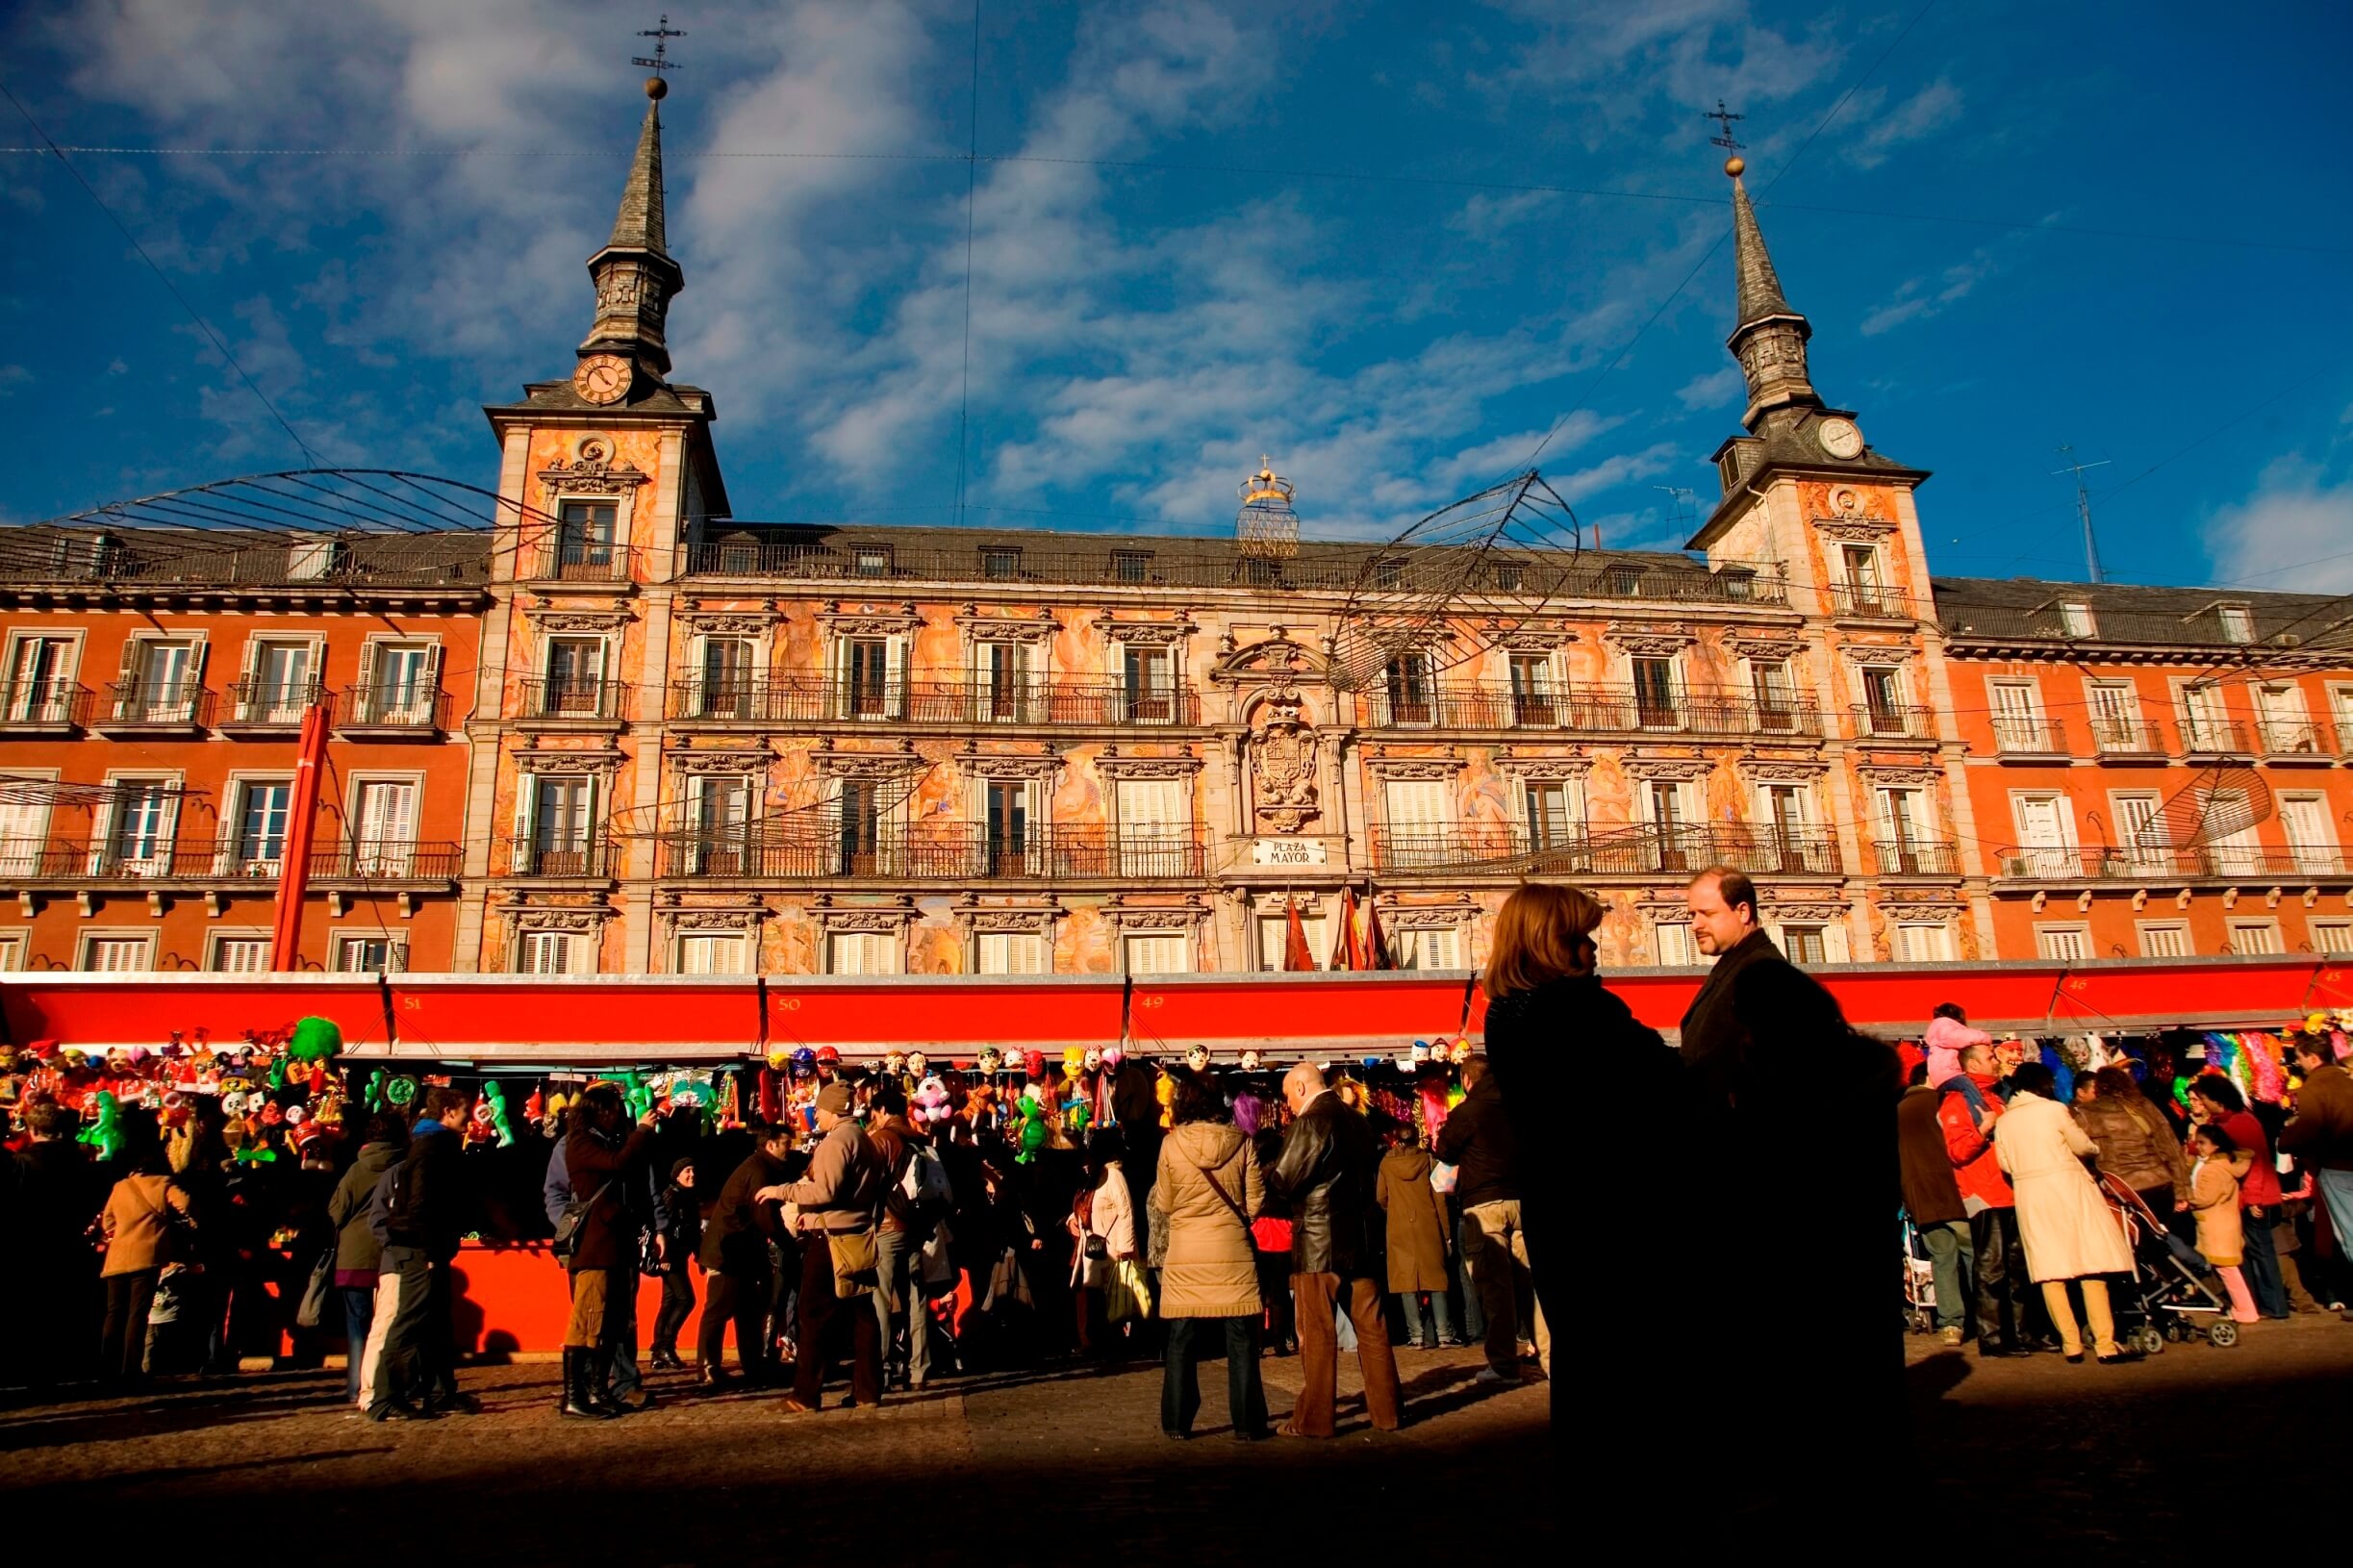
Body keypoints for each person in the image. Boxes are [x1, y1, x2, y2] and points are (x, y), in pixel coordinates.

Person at [1678, 867, 1902, 1501]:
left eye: (1704, 913)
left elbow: (1727, 1085)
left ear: (1744, 911)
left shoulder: (1758, 979)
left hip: (1765, 1197)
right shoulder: (1743, 977)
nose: (1695, 924)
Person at [1480, 881, 1671, 1434]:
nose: (1594, 949)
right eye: (1582, 938)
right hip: (1611, 1205)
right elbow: (1660, 1081)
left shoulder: (1506, 1013)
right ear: (1552, 944)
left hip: (1555, 1202)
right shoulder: (1579, 1013)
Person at [1269, 1061, 1401, 1438]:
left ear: (1300, 1088)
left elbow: (1284, 1178)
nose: (1288, 1106)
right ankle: (1387, 1412)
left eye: (1287, 1097)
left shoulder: (1311, 1122)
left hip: (1318, 1241)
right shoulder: (1358, 1121)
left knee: (1318, 1332)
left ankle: (1315, 1420)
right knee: (1373, 1329)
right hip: (1359, 1238)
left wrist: (1265, 1179)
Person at [1154, 1068, 1270, 1441]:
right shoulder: (1242, 1143)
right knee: (1241, 1339)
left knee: (1181, 1339)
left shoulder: (1171, 1145)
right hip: (1232, 1250)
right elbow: (1254, 1203)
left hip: (1186, 1251)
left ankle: (1176, 1421)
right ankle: (1248, 1423)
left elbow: (1165, 1202)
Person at [1994, 1062, 2136, 1363]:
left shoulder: (2004, 1120)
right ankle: (2105, 1344)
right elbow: (2080, 1145)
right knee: (2091, 1265)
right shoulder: (2054, 1110)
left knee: (2050, 1272)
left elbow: (2005, 1164)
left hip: (2031, 1196)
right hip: (2068, 1188)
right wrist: (2095, 1151)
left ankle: (2070, 1344)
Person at [764, 1081, 887, 1413]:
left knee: (813, 1315)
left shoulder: (836, 1142)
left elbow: (824, 1192)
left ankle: (805, 1394)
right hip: (858, 1237)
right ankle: (868, 1391)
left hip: (830, 1240)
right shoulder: (865, 1139)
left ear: (833, 1109)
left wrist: (782, 1192)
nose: (815, 1113)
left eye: (818, 1108)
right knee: (862, 1315)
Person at [366, 1085, 472, 1422]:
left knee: (437, 1322)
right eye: (465, 1110)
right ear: (449, 1111)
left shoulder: (431, 1145)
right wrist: (428, 1246)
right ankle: (386, 1396)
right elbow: (421, 1203)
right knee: (408, 1321)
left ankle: (440, 1392)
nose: (469, 1116)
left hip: (428, 1245)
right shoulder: (431, 1149)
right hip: (419, 1247)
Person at [1434, 1053, 1542, 1381]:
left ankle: (1504, 1363)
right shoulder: (1518, 1107)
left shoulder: (1468, 1111)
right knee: (1532, 1286)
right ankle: (1552, 1357)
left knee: (1495, 1287)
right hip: (1522, 1200)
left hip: (1484, 1203)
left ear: (1467, 1080)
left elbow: (1445, 1150)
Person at [560, 1083, 660, 1418]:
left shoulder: (602, 1140)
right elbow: (617, 1163)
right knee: (588, 1322)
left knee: (612, 1324)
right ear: (599, 1111)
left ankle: (598, 1391)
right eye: (614, 1110)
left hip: (614, 1245)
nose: (618, 1117)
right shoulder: (580, 1142)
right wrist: (642, 1131)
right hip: (595, 1249)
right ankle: (575, 1396)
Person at [1940, 1041, 2029, 1356]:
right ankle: (1992, 1339)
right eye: (1991, 1057)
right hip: (1984, 1195)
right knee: (1991, 1268)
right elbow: (1956, 1151)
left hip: (2009, 1192)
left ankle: (2019, 1333)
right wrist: (1983, 1130)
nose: (1997, 1061)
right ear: (1973, 1065)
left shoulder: (1995, 1096)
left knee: (2017, 1268)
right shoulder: (1956, 1102)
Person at [11, 1099, 104, 1388]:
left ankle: (33, 1371)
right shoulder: (86, 1165)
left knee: (31, 1312)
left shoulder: (21, 1165)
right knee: (70, 1309)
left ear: (33, 1128)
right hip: (74, 1246)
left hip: (29, 1247)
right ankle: (71, 1366)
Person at [700, 1123, 797, 1387]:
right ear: (770, 1144)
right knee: (719, 1309)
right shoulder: (759, 1170)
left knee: (748, 1310)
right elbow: (764, 1214)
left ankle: (753, 1367)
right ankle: (709, 1367)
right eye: (786, 1144)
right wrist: (786, 1242)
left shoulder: (761, 1167)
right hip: (727, 1250)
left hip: (740, 1251)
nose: (790, 1148)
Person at [2188, 1077, 2290, 1321]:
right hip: (2240, 1199)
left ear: (2216, 1099)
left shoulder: (2240, 1123)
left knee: (2260, 1250)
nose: (2200, 1102)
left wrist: (2254, 1200)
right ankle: (2253, 1304)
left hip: (2255, 1197)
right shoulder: (2223, 1122)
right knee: (2246, 1251)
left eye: (2203, 1098)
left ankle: (2274, 1305)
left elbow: (2256, 1165)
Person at [325, 1113, 406, 1406]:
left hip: (355, 1256)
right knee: (388, 1325)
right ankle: (389, 1384)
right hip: (391, 1254)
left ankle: (357, 1387)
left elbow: (336, 1211)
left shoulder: (355, 1171)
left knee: (358, 1326)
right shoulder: (404, 1167)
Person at [97, 1141, 192, 1385]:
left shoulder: (120, 1187)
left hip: (117, 1257)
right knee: (138, 1313)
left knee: (113, 1313)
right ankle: (130, 1369)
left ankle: (107, 1368)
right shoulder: (163, 1184)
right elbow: (186, 1205)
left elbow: (108, 1222)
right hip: (147, 1256)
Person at [2277, 1033, 2353, 1322]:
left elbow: (2310, 1130)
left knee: (2349, 1234)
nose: (2298, 1064)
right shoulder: (2348, 1082)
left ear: (2312, 1057)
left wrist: (2286, 1139)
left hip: (2337, 1167)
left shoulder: (2313, 1089)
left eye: (2298, 1058)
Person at [866, 1083, 934, 1389]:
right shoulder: (920, 1139)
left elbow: (866, 1181)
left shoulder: (882, 1139)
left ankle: (881, 1369)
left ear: (881, 1111)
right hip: (916, 1226)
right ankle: (919, 1370)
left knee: (880, 1300)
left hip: (888, 1227)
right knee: (916, 1299)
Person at [1899, 1063, 1972, 1347]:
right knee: (1974, 1255)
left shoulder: (1897, 1112)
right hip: (1953, 1192)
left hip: (1919, 1197)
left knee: (1942, 1258)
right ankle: (1985, 1318)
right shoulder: (1942, 1102)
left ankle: (1951, 1324)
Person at [1376, 1117, 1454, 1351]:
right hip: (1427, 1223)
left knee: (1405, 1281)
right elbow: (1440, 1198)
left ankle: (1416, 1336)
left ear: (1396, 1141)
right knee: (1436, 1279)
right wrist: (1446, 1232)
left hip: (1399, 1226)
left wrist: (1396, 1210)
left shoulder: (1386, 1165)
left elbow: (1381, 1197)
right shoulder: (1429, 1160)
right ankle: (1444, 1334)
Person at [2078, 1066, 2190, 1222]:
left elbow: (2078, 1152)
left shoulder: (2086, 1114)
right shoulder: (2143, 1105)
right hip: (2160, 1185)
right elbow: (2171, 1148)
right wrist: (2182, 1192)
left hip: (2123, 1191)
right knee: (2161, 1240)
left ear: (2098, 1089)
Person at [1068, 1131, 1136, 1357]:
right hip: (1091, 1249)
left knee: (1110, 1298)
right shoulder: (1096, 1176)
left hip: (1110, 1248)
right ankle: (1093, 1342)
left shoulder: (1114, 1176)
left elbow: (1126, 1212)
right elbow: (1084, 1204)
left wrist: (1125, 1249)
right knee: (1091, 1296)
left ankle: (1109, 1344)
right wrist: (1071, 1221)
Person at [2187, 1122, 2260, 1325]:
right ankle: (2245, 1308)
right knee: (2229, 1270)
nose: (2198, 1147)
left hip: (2215, 1226)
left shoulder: (2212, 1169)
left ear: (2215, 1145)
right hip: (2225, 1223)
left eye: (2202, 1143)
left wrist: (2186, 1197)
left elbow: (2205, 1197)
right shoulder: (2227, 1164)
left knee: (2228, 1271)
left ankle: (2245, 1310)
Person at [649, 1155, 700, 1371]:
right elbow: (661, 1227)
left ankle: (659, 1353)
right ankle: (665, 1346)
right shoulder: (672, 1195)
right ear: (677, 1175)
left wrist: (699, 1254)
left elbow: (693, 1230)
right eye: (687, 1170)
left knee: (669, 1303)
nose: (691, 1174)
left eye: (693, 1170)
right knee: (685, 1299)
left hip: (680, 1257)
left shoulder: (689, 1197)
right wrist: (664, 1256)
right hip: (670, 1259)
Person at [1924, 1002, 1992, 1091]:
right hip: (1948, 1074)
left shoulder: (1939, 1029)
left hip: (1942, 1075)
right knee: (1969, 1088)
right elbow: (1961, 1037)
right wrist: (1985, 1037)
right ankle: (1977, 1104)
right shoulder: (1943, 1027)